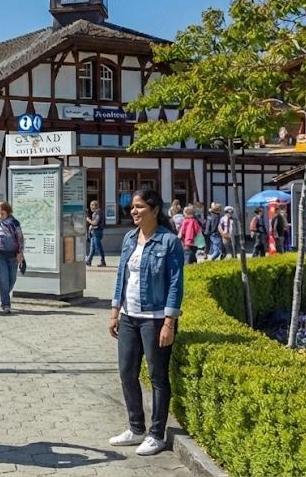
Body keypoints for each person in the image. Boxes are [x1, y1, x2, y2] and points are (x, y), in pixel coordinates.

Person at [109, 187, 184, 457]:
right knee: (127, 372)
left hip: (154, 319)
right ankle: (136, 427)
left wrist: (169, 322)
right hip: (129, 316)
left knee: (157, 377)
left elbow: (176, 284)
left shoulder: (169, 242)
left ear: (154, 210)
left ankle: (156, 433)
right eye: (132, 207)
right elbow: (121, 277)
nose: (133, 211)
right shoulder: (130, 238)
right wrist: (115, 312)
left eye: (139, 207)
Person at [0, 201, 24, 314]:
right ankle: (6, 304)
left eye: (2, 209)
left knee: (12, 279)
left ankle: (3, 296)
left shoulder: (14, 222)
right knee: (4, 280)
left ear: (7, 210)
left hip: (13, 255)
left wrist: (20, 252)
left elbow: (20, 238)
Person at [85, 199, 107, 267]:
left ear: (95, 206)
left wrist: (88, 220)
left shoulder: (98, 212)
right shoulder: (98, 212)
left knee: (98, 247)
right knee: (93, 248)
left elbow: (95, 222)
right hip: (94, 232)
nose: (91, 207)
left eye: (92, 205)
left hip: (96, 232)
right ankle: (88, 261)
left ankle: (102, 261)